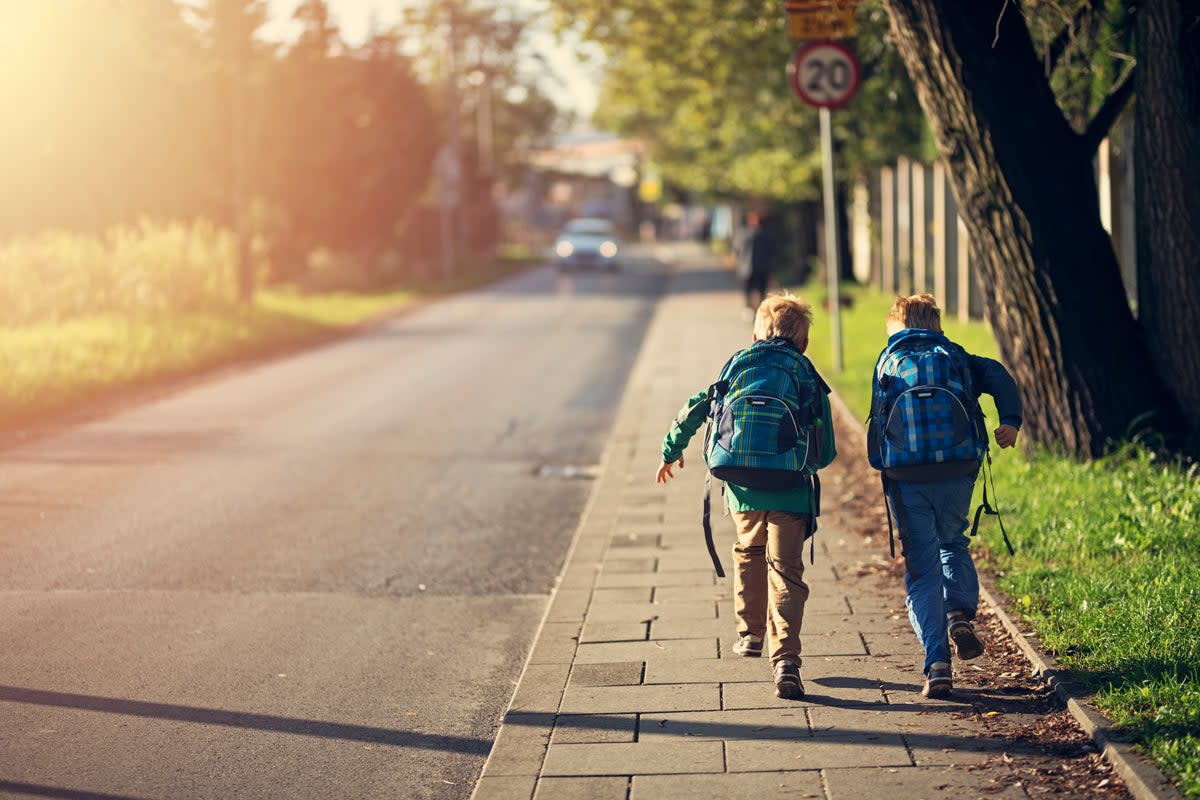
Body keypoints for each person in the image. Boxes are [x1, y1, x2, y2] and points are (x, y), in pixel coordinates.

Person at [655, 293, 836, 699]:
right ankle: (786, 660)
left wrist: (671, 450)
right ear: (802, 342)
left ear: (756, 333)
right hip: (789, 488)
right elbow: (824, 441)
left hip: (740, 484)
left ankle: (751, 633)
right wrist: (812, 463)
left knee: (748, 552)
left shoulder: (739, 363)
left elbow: (698, 405)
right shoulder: (804, 371)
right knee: (786, 570)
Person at [871, 294, 1022, 699]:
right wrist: (1010, 422)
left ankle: (937, 663)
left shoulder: (888, 360)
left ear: (896, 328)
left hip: (907, 476)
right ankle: (958, 611)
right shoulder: (955, 354)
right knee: (953, 541)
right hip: (957, 469)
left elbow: (876, 424)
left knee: (922, 565)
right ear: (936, 324)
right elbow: (999, 376)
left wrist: (882, 467)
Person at [736, 212, 775, 312]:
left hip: (746, 268)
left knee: (748, 291)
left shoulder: (744, 234)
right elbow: (772, 252)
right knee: (761, 291)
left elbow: (737, 250)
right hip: (762, 268)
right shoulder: (766, 234)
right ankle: (759, 311)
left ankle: (749, 308)